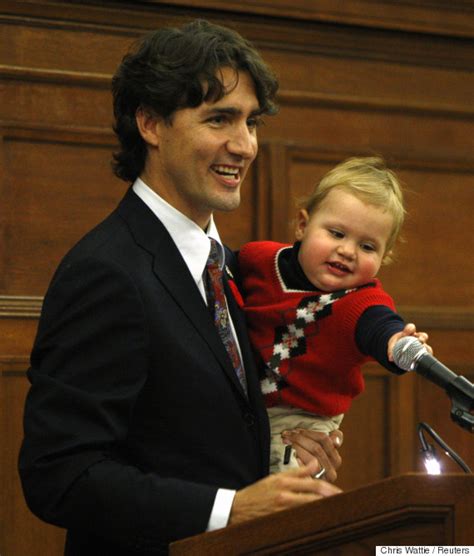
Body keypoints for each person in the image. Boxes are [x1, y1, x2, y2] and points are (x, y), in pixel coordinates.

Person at [18, 19, 343, 556]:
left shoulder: (234, 268)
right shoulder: (106, 272)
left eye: (251, 122)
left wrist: (291, 443)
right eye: (220, 119)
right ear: (150, 123)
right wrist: (231, 509)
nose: (244, 145)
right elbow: (60, 475)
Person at [238, 156, 432, 473]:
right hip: (244, 405)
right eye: (337, 233)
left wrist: (398, 342)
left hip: (299, 421)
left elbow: (379, 325)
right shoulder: (259, 259)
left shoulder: (358, 301)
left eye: (368, 247)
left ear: (385, 257)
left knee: (285, 493)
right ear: (302, 225)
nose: (347, 251)